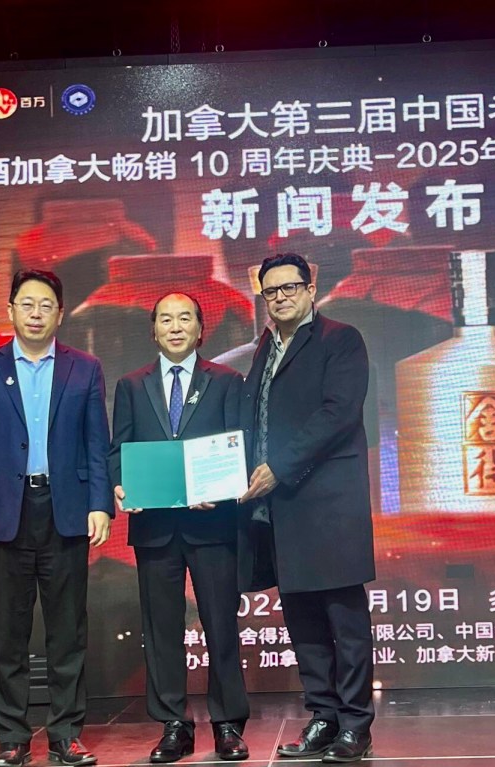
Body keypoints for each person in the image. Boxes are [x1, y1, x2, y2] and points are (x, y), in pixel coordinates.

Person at [0, 269, 112, 767]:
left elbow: (97, 444)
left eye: (46, 305)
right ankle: (12, 738)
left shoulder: (84, 368)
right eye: (27, 304)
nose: (36, 313)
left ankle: (66, 734)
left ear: (60, 314)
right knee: (10, 631)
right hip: (5, 512)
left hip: (66, 509)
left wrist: (100, 503)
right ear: (10, 311)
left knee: (68, 629)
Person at [238, 253, 376, 763]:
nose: (280, 298)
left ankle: (355, 724)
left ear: (310, 289)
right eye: (270, 291)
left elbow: (337, 414)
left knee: (344, 619)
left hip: (329, 503)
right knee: (302, 620)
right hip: (282, 508)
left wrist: (278, 466)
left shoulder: (341, 339)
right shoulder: (265, 347)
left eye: (289, 288)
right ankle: (324, 716)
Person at [108, 292, 250, 764]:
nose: (175, 326)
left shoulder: (227, 381)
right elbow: (118, 450)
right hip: (155, 527)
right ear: (153, 331)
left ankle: (228, 723)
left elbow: (238, 445)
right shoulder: (131, 385)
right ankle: (174, 725)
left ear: (200, 329)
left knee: (221, 625)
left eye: (184, 318)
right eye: (165, 319)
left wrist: (225, 489)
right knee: (161, 630)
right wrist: (120, 484)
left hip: (213, 524)